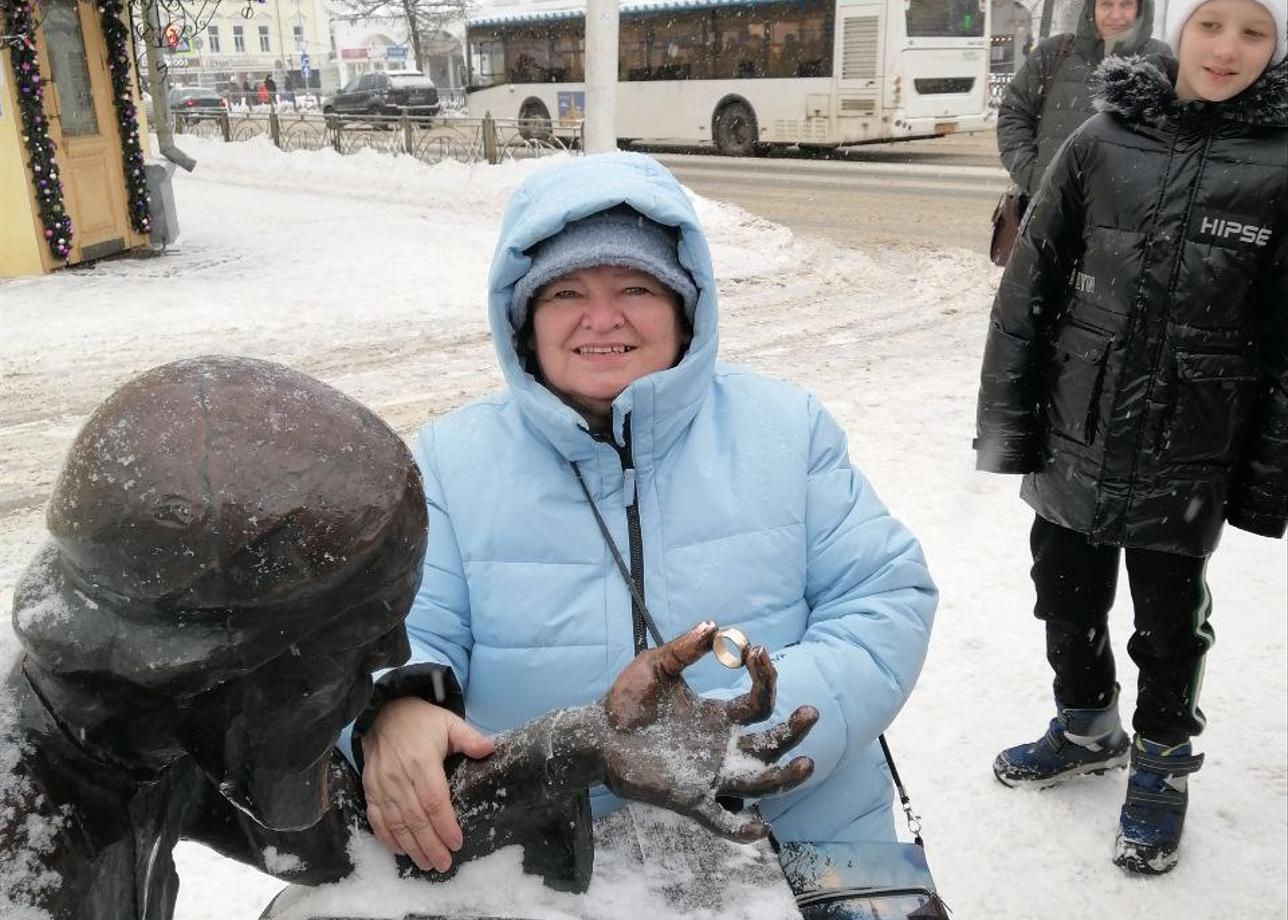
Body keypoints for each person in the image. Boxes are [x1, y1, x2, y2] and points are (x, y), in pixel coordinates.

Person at [349, 151, 938, 878]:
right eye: (564, 292)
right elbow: (400, 632)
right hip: (552, 864)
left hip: (794, 835)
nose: (603, 318)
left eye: (635, 286)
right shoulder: (449, 459)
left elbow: (882, 601)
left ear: (685, 308)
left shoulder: (787, 429)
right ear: (524, 318)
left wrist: (736, 734)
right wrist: (396, 708)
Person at [975, 0, 1286, 876]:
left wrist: (1266, 479)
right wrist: (1012, 422)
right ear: (1179, 29)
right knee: (1064, 593)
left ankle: (1159, 764)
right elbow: (1026, 295)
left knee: (1168, 621)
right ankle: (1085, 723)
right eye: (1211, 23)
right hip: (1080, 425)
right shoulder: (1101, 142)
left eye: (1254, 31)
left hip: (1192, 444)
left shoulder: (1281, 165)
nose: (1227, 48)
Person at [0, 356, 428, 919]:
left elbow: (342, 841)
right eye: (360, 636)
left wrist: (549, 757)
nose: (395, 656)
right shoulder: (23, 863)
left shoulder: (155, 736)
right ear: (207, 663)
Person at [996, 0, 1171, 199]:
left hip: (1124, 217)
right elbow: (1013, 113)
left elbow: (1176, 138)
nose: (1116, 15)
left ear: (1141, 8)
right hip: (1048, 210)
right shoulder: (1054, 53)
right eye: (1106, 4)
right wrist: (1035, 178)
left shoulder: (1160, 60)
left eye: (1126, 4)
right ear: (1091, 8)